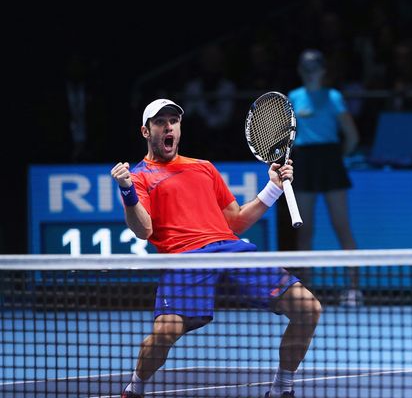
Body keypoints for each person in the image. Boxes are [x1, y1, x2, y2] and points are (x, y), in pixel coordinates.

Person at [112, 98, 321, 398]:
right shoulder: (139, 177)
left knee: (308, 308)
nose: (168, 126)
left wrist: (273, 187)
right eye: (160, 122)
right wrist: (127, 192)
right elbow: (143, 229)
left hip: (229, 249)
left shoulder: (204, 168)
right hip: (183, 259)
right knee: (164, 334)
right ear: (146, 132)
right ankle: (135, 389)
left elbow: (235, 222)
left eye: (174, 120)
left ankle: (282, 389)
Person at [287, 49, 362, 307]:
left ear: (323, 69)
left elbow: (351, 136)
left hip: (330, 160)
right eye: (306, 67)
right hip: (304, 161)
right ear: (300, 70)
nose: (311, 72)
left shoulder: (334, 97)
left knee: (342, 226)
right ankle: (304, 292)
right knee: (304, 230)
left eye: (315, 67)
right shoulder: (293, 97)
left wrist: (337, 156)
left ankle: (354, 290)